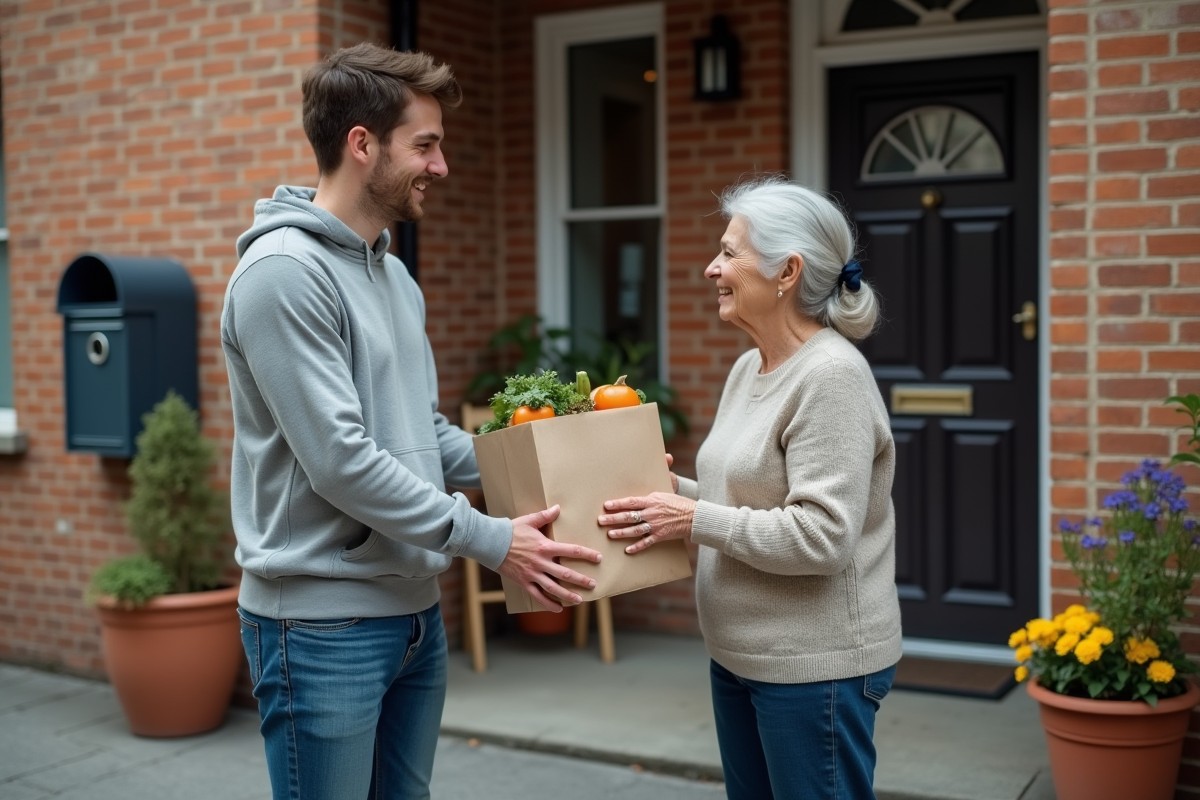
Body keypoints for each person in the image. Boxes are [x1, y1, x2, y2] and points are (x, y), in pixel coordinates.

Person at [221, 43, 602, 800]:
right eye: (424, 145)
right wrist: (492, 541)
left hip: (415, 620)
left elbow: (423, 434)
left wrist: (559, 462)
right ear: (362, 144)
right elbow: (341, 462)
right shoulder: (282, 275)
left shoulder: (392, 274)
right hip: (322, 627)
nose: (441, 166)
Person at [598, 176, 902, 800]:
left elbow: (821, 538)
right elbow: (739, 496)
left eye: (730, 253)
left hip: (814, 669)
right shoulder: (749, 367)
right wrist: (666, 488)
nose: (713, 268)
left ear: (787, 272)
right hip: (740, 656)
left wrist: (688, 516)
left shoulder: (831, 378)